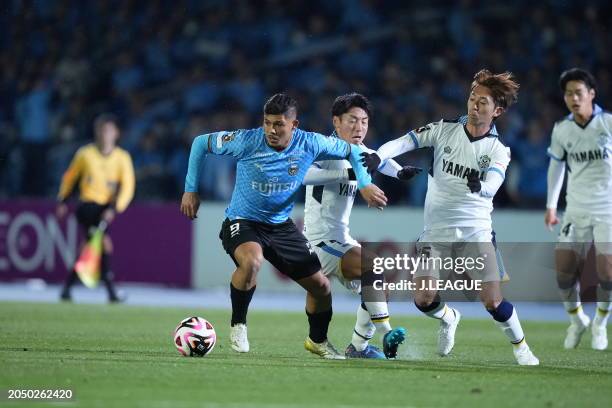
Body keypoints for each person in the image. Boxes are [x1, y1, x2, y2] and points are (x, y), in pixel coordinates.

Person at [180, 94, 390, 359]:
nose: (271, 130)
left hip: (280, 226)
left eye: (279, 124)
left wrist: (364, 183)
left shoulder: (311, 142)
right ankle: (238, 325)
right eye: (267, 123)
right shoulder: (247, 140)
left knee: (321, 287)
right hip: (242, 221)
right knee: (252, 262)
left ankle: (318, 341)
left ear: (294, 125)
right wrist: (190, 190)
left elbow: (353, 150)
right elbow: (201, 143)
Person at [362, 69, 539, 365]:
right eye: (472, 98)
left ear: (497, 110)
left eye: (483, 102)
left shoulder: (498, 149)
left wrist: (481, 187)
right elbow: (404, 142)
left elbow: (494, 182)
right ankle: (448, 317)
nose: (474, 105)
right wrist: (380, 156)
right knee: (422, 299)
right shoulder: (444, 129)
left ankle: (521, 347)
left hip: (476, 233)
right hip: (436, 232)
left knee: (492, 301)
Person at [302, 93, 417, 358]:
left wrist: (399, 173)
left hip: (340, 237)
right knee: (373, 267)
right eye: (352, 120)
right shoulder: (325, 148)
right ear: (336, 121)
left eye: (364, 121)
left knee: (379, 286)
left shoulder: (360, 151)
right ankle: (387, 332)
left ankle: (358, 347)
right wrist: (348, 173)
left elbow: (379, 160)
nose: (359, 127)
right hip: (319, 240)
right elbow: (303, 175)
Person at [544, 68, 612, 350]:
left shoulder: (608, 123)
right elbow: (557, 166)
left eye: (578, 93)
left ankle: (600, 323)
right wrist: (550, 205)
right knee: (563, 273)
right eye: (568, 93)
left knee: (607, 273)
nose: (573, 98)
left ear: (591, 94)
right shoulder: (562, 129)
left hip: (608, 208)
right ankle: (577, 320)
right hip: (575, 208)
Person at [57, 114, 135, 303]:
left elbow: (128, 186)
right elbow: (70, 178)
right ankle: (110, 292)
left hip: (106, 207)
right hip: (87, 206)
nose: (104, 134)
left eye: (108, 130)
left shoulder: (122, 157)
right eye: (101, 130)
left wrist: (115, 208)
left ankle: (68, 288)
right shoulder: (85, 154)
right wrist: (63, 200)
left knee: (91, 245)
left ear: (116, 133)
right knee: (102, 243)